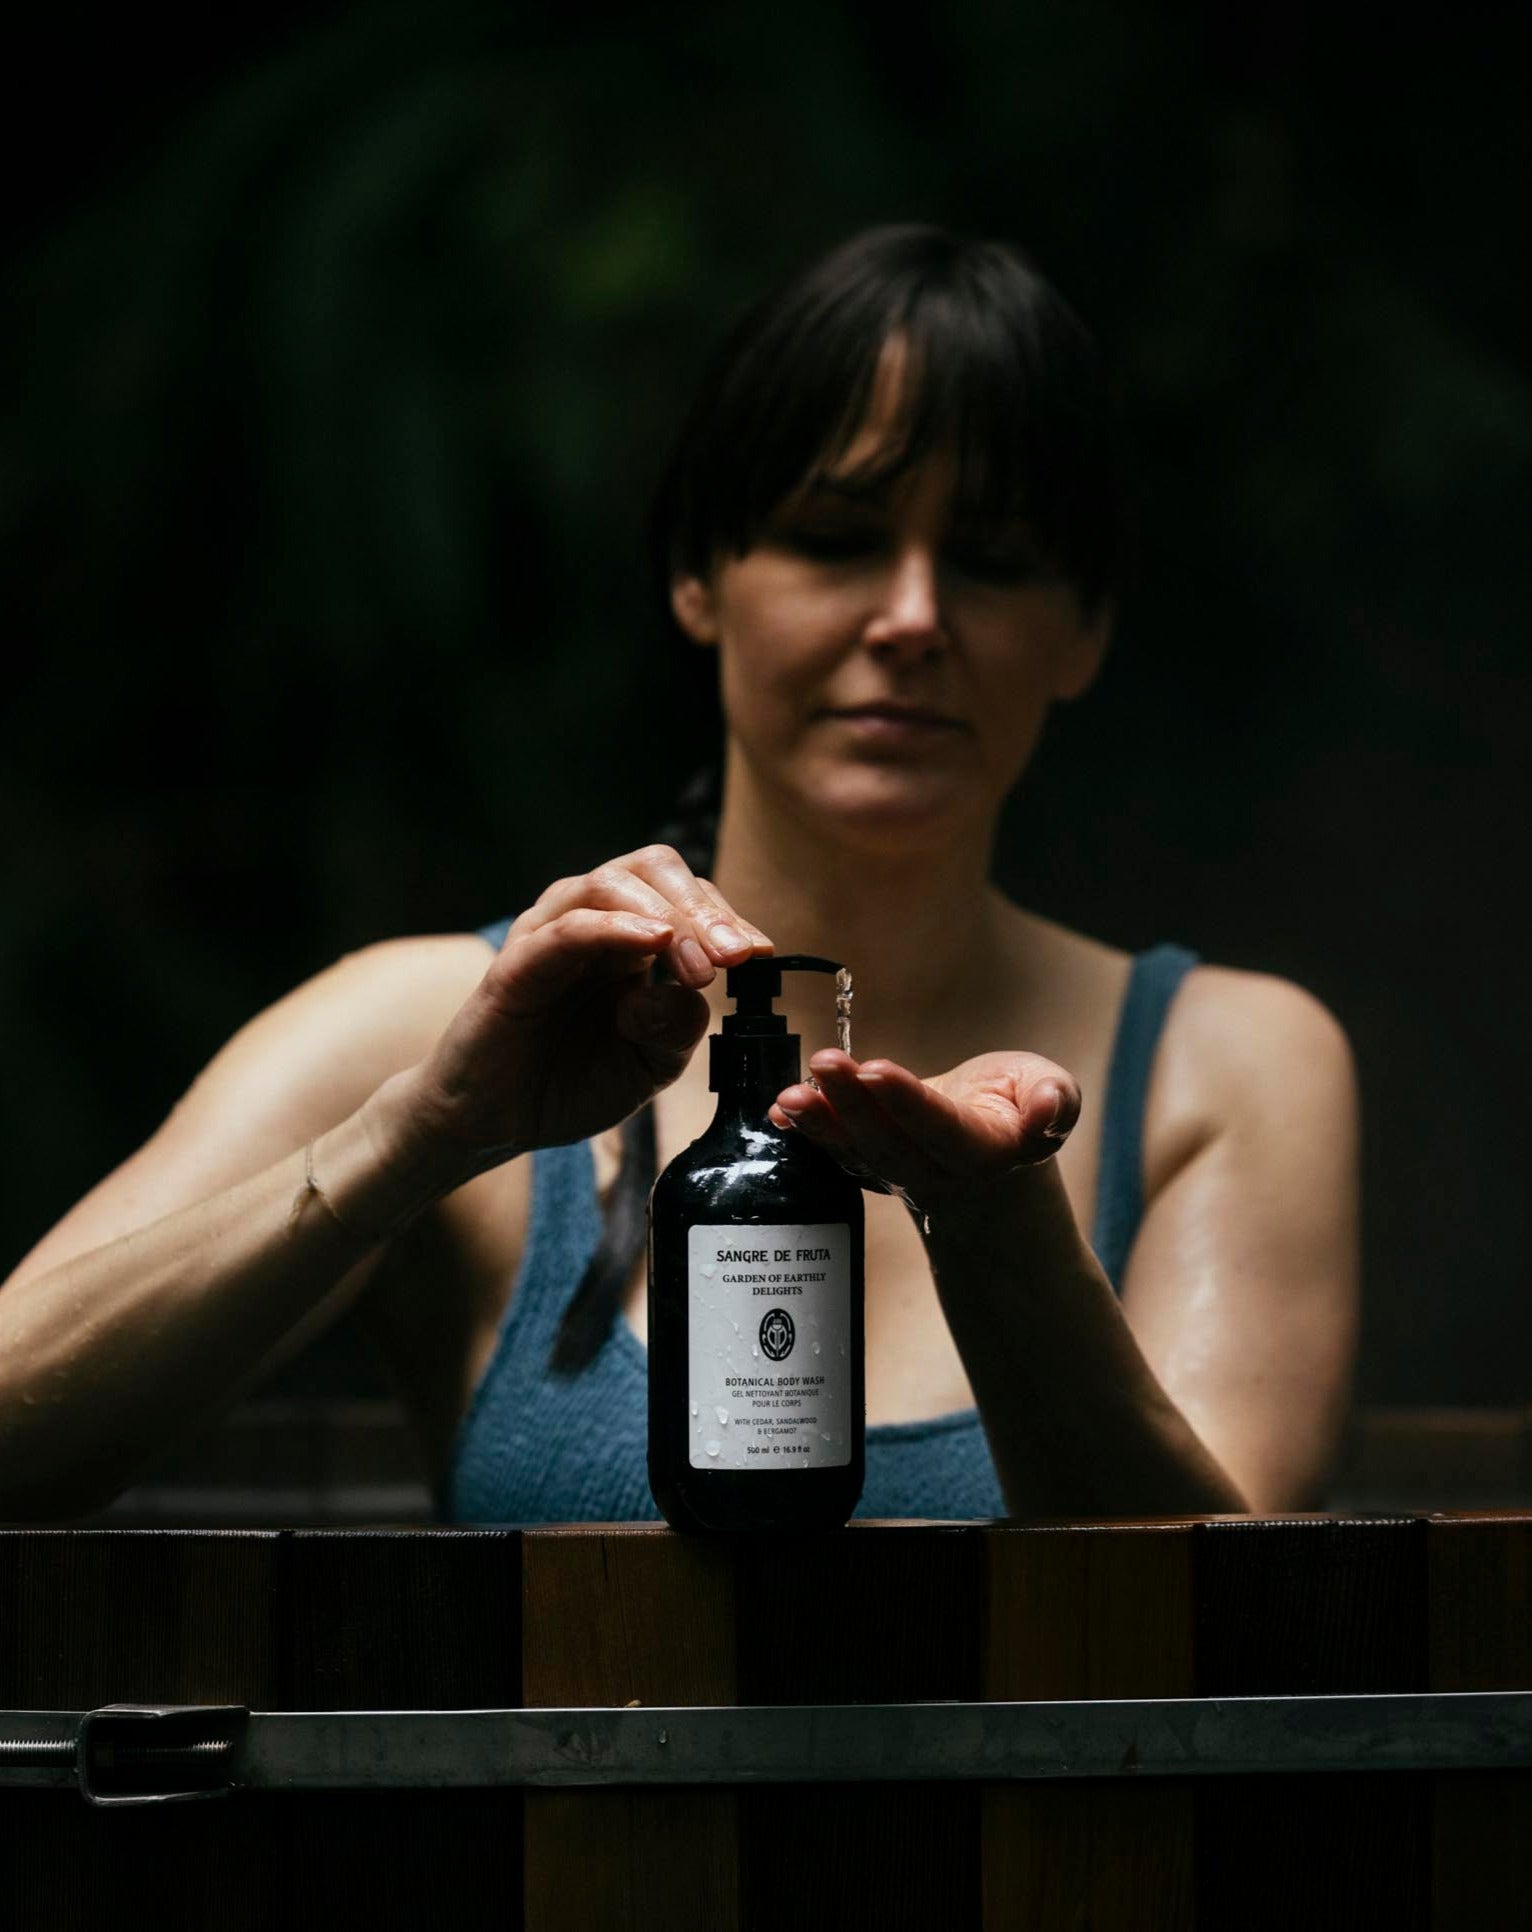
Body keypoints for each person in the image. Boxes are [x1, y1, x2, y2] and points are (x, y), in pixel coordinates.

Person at [0, 224, 1358, 1526]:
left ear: (1086, 632)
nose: (913, 618)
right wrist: (415, 1140)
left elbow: (1212, 1643)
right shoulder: (431, 1026)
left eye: (994, 562)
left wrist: (997, 1231)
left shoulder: (1224, 1069)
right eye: (836, 538)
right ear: (698, 576)